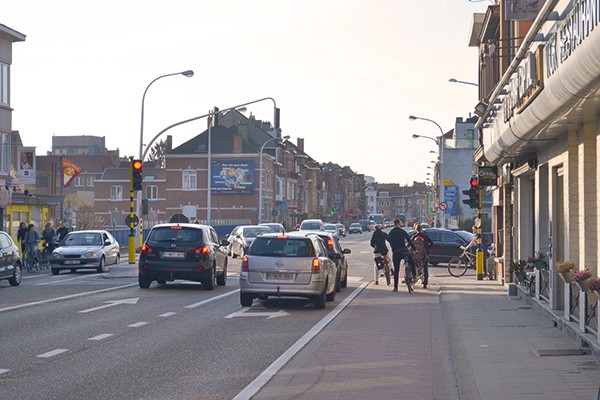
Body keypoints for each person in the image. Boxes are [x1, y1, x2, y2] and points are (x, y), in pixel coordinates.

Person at [388, 218, 416, 293]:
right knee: (411, 261)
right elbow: (409, 241)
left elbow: (389, 241)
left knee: (396, 270)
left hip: (396, 252)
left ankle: (395, 287)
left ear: (394, 224)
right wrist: (414, 249)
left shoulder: (391, 232)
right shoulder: (402, 231)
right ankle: (414, 275)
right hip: (403, 251)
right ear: (399, 224)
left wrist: (393, 247)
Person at [412, 223, 434, 289]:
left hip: (416, 254)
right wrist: (427, 248)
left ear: (416, 229)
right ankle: (425, 283)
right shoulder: (426, 236)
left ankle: (414, 277)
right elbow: (432, 243)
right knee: (425, 268)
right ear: (421, 229)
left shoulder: (414, 236)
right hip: (425, 254)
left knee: (414, 265)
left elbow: (410, 243)